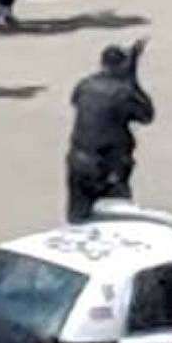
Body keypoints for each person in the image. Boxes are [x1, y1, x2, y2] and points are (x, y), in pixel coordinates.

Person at [66, 43, 153, 222]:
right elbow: (147, 115)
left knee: (78, 216)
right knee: (117, 218)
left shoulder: (85, 85)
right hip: (108, 166)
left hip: (78, 161)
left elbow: (75, 101)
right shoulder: (123, 92)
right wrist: (132, 79)